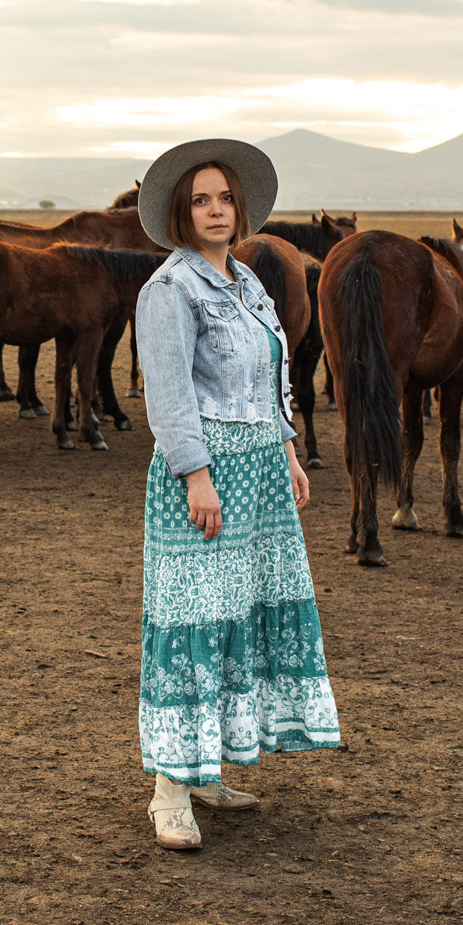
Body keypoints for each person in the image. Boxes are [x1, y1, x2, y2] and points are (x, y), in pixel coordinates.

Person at [131, 137, 341, 852]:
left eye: (224, 198)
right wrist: (197, 474)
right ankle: (169, 792)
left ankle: (205, 768)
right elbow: (168, 395)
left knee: (238, 618)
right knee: (193, 620)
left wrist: (288, 451)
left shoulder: (248, 282)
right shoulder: (170, 289)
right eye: (201, 200)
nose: (216, 210)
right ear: (181, 213)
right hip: (208, 472)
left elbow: (271, 378)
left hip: (260, 470)